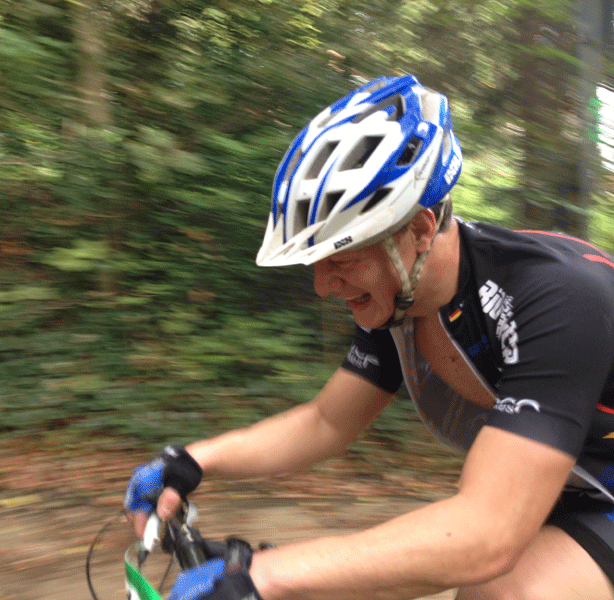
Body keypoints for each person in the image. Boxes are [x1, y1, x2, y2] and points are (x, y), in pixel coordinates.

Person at [124, 74, 614, 600]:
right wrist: (195, 460)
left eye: (341, 258)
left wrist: (265, 576)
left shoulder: (557, 299)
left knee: (507, 593)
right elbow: (326, 421)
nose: (321, 286)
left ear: (420, 230)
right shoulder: (401, 300)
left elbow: (488, 531)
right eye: (317, 261)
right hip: (568, 486)